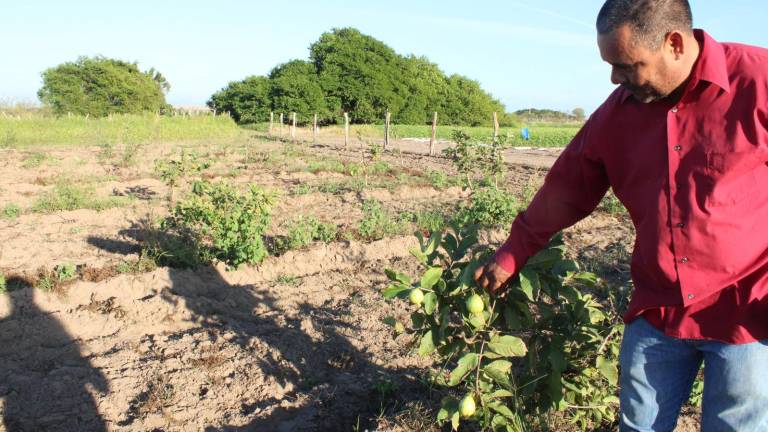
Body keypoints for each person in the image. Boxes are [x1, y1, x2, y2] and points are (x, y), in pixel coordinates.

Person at [473, 0, 768, 431]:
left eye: (628, 65)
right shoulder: (618, 113)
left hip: (745, 311)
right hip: (659, 308)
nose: (615, 78)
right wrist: (513, 253)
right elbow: (567, 188)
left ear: (674, 44)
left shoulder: (757, 82)